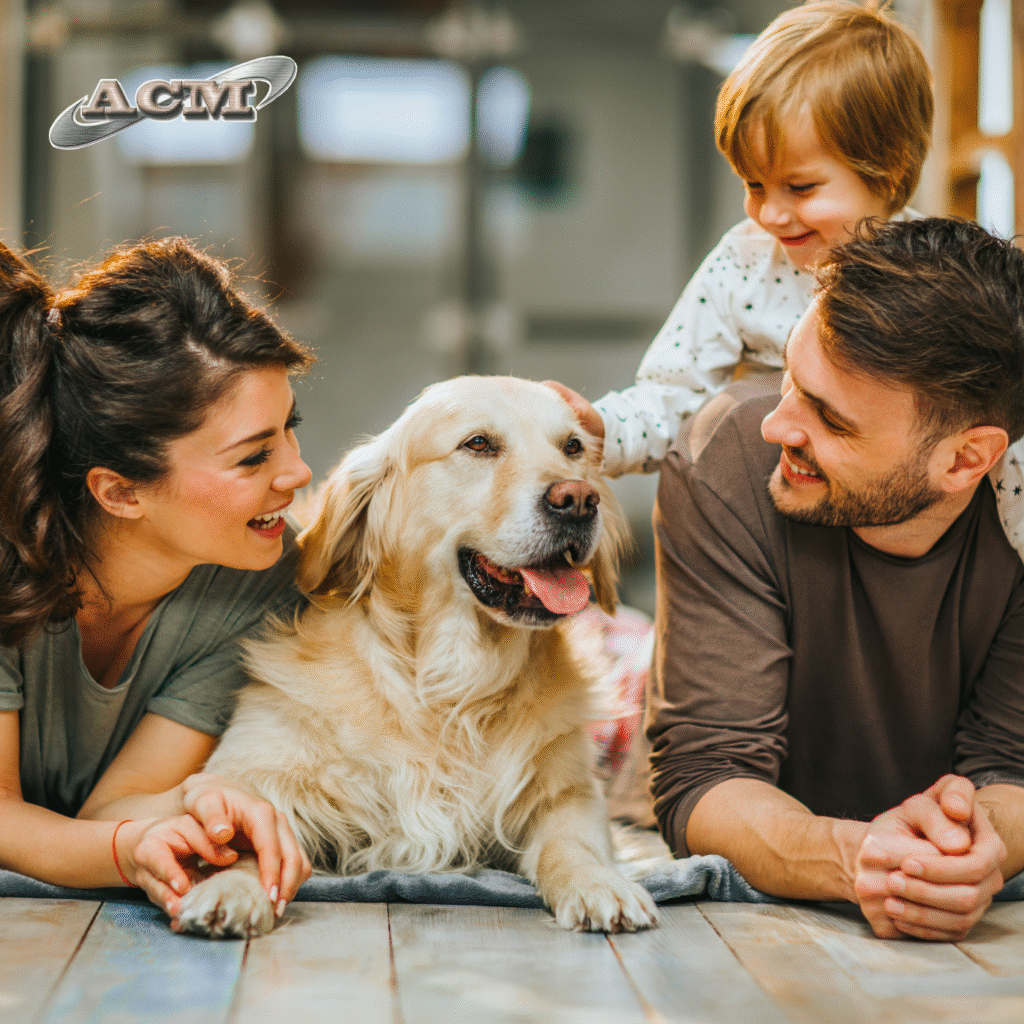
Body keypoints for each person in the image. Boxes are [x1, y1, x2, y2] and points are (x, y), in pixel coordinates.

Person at [648, 217, 1024, 942]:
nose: (777, 427)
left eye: (829, 417)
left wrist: (980, 847)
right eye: (791, 380)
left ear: (965, 461)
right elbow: (703, 776)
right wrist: (862, 858)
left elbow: (1011, 767)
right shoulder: (724, 460)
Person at [550, 0, 1024, 557]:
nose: (769, 215)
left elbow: (993, 427)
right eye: (753, 185)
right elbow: (674, 392)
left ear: (888, 167)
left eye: (800, 189)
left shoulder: (933, 277)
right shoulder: (746, 263)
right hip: (785, 531)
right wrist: (603, 427)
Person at [0, 236, 313, 926]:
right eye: (254, 456)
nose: (297, 473)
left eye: (290, 430)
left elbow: (117, 807)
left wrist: (196, 804)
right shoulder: (7, 560)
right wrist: (128, 847)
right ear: (120, 492)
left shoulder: (258, 582)